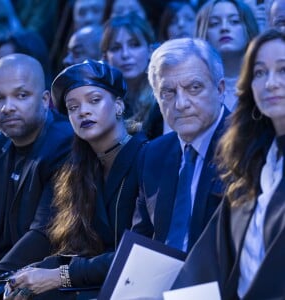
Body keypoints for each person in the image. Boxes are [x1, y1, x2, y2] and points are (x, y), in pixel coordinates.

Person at [3, 60, 148, 299]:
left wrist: (59, 275)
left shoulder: (146, 156)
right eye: (72, 107)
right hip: (92, 282)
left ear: (119, 105)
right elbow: (75, 247)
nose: (83, 111)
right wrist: (29, 274)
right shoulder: (75, 170)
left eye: (94, 100)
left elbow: (138, 254)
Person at [172, 29, 285, 300]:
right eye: (259, 72)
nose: (270, 83)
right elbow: (207, 264)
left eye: (283, 70)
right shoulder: (252, 163)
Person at [0, 54, 73, 298]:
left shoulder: (65, 145)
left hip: (48, 279)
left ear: (45, 100)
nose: (8, 107)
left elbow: (44, 233)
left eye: (21, 95)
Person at [132, 37, 229, 254]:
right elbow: (142, 240)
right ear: (157, 98)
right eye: (168, 92)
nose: (181, 104)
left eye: (194, 88)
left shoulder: (245, 146)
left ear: (220, 89)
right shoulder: (152, 154)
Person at [195, 0, 258, 111]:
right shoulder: (193, 87)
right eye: (214, 23)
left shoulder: (265, 80)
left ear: (248, 27)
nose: (224, 28)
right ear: (204, 33)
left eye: (234, 21)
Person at [101, 13, 156, 133]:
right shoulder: (102, 102)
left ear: (150, 51)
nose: (125, 54)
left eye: (134, 45)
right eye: (116, 48)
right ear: (105, 58)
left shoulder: (162, 99)